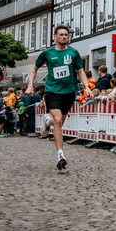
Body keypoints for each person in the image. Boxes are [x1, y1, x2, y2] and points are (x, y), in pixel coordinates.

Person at [26, 25, 90, 171]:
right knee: (58, 120)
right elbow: (34, 68)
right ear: (55, 36)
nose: (63, 37)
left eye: (66, 35)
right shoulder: (48, 53)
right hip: (52, 91)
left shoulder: (73, 52)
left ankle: (47, 121)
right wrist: (30, 85)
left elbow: (80, 71)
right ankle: (61, 155)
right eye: (61, 35)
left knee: (58, 124)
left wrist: (86, 86)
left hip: (69, 92)